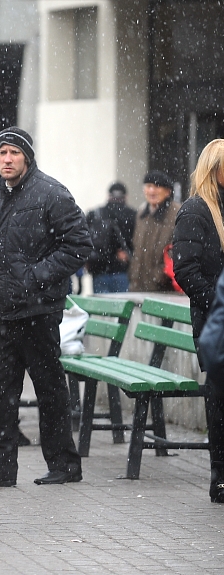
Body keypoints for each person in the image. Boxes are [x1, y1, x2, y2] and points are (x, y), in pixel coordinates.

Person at [0, 126, 91, 488]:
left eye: (14, 153)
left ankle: (65, 465)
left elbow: (79, 245)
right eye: (2, 153)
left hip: (39, 310)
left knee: (49, 389)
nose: (7, 159)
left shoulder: (51, 193)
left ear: (27, 157)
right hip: (4, 310)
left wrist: (37, 276)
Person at [172, 138, 224, 503]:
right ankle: (219, 476)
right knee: (219, 398)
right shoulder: (196, 210)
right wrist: (218, 302)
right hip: (214, 322)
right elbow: (186, 270)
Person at [128, 171, 181, 292]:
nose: (152, 191)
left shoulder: (177, 213)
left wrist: (159, 276)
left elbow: (178, 250)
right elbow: (137, 249)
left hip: (164, 289)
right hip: (138, 287)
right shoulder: (141, 213)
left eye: (157, 187)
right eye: (148, 186)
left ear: (168, 191)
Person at [85, 185, 132, 293]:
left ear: (108, 196)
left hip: (99, 269)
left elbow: (83, 239)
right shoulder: (132, 215)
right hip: (121, 271)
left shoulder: (95, 214)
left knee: (101, 308)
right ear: (126, 196)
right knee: (121, 307)